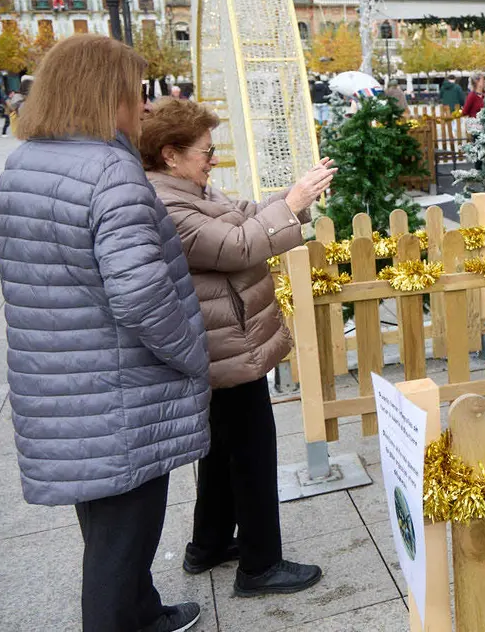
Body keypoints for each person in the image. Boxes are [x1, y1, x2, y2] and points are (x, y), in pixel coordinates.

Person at [0, 34, 209, 632]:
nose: (143, 107)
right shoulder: (110, 169)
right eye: (134, 93)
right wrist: (192, 352)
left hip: (60, 377)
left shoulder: (27, 160)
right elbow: (141, 293)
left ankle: (141, 612)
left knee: (106, 516)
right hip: (117, 383)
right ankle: (123, 618)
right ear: (102, 93)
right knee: (126, 529)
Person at [138, 97, 330, 600]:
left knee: (222, 449)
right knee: (251, 452)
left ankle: (209, 543)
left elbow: (243, 215)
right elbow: (238, 245)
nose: (213, 159)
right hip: (224, 345)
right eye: (205, 151)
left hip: (224, 342)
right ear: (171, 154)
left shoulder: (188, 188)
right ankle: (260, 565)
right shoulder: (167, 202)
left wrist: (294, 197)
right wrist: (289, 206)